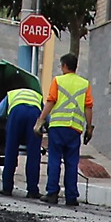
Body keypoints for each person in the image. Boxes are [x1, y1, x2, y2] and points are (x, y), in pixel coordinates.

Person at [38, 51, 94, 206]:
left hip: (57, 127)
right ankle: (71, 196)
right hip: (74, 128)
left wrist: (41, 120)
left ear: (64, 66)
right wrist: (89, 127)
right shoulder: (85, 84)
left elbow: (50, 101)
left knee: (54, 160)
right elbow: (88, 107)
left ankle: (52, 193)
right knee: (71, 162)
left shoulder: (58, 81)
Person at [0, 82, 45, 198]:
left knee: (11, 151)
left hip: (16, 113)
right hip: (34, 114)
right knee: (34, 155)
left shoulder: (11, 95)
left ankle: (7, 188)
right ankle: (33, 190)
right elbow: (46, 117)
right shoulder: (37, 97)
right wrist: (47, 129)